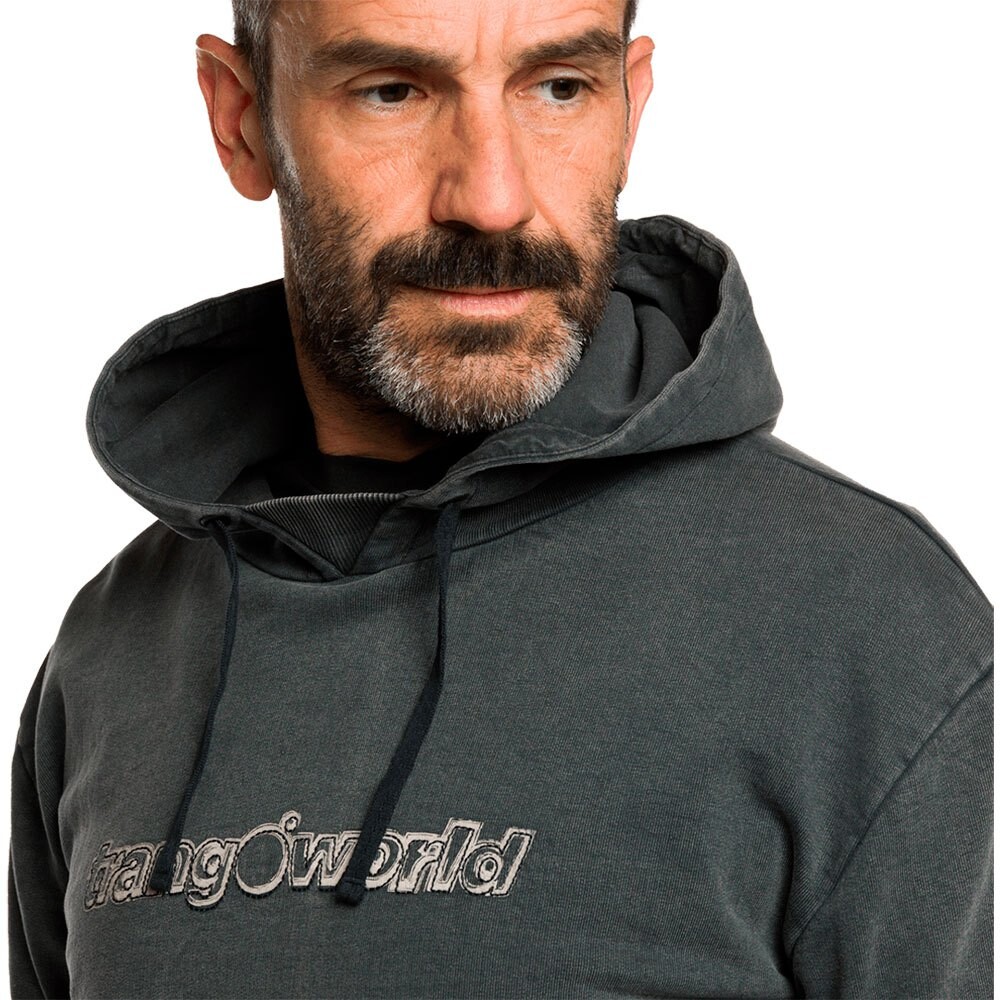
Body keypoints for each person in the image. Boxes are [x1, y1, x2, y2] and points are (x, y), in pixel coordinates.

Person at [8, 0, 992, 997]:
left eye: (559, 88)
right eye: (392, 92)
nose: (490, 197)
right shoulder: (109, 654)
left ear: (630, 109)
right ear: (240, 120)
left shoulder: (873, 633)